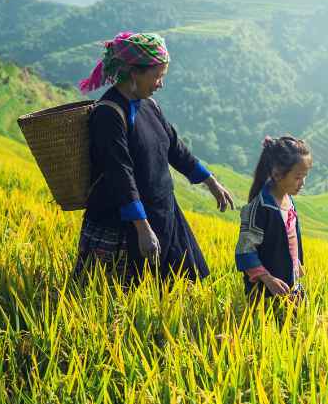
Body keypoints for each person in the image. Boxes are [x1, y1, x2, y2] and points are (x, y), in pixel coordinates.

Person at [73, 31, 235, 284]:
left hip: (164, 210)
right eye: (157, 76)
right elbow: (120, 174)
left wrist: (211, 183)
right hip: (125, 220)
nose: (161, 84)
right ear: (133, 72)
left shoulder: (149, 105)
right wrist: (142, 227)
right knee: (122, 293)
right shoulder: (109, 113)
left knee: (184, 284)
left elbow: (175, 148)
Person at [234, 135, 312, 302]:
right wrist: (268, 278)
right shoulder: (260, 208)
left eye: (305, 175)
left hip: (289, 286)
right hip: (266, 292)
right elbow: (245, 250)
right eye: (298, 177)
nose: (303, 182)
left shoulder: (288, 200)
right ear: (276, 174)